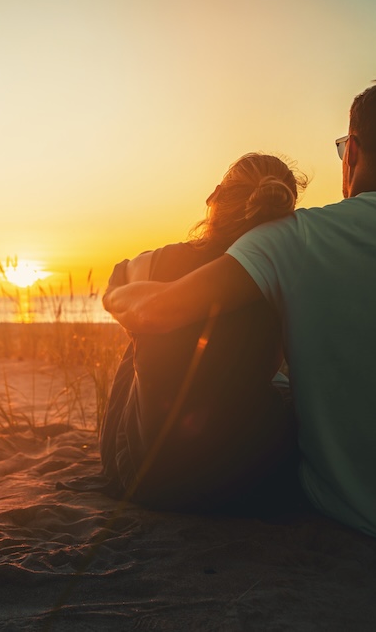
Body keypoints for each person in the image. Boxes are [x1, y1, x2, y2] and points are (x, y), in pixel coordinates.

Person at [104, 79, 376, 543]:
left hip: (360, 515)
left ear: (352, 151)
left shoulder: (296, 237)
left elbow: (157, 314)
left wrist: (121, 290)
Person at [100, 153, 308, 512]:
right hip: (239, 477)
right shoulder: (283, 275)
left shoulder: (159, 262)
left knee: (135, 349)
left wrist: (136, 305)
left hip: (141, 473)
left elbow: (117, 281)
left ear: (215, 197)